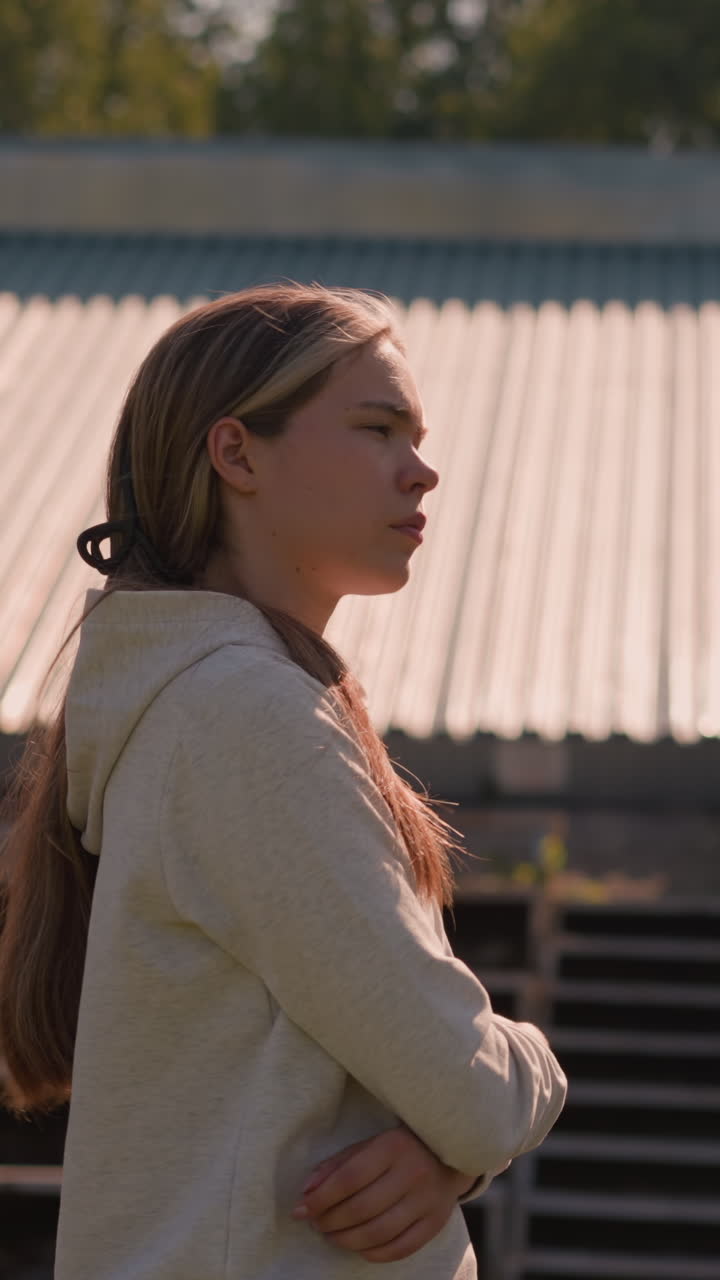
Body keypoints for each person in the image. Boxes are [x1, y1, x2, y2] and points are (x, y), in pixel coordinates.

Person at [0, 282, 567, 1280]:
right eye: (377, 428)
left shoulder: (195, 700)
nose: (423, 469)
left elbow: (434, 1100)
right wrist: (530, 1076)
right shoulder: (244, 717)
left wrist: (446, 1154)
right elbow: (473, 1092)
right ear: (237, 453)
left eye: (418, 436)